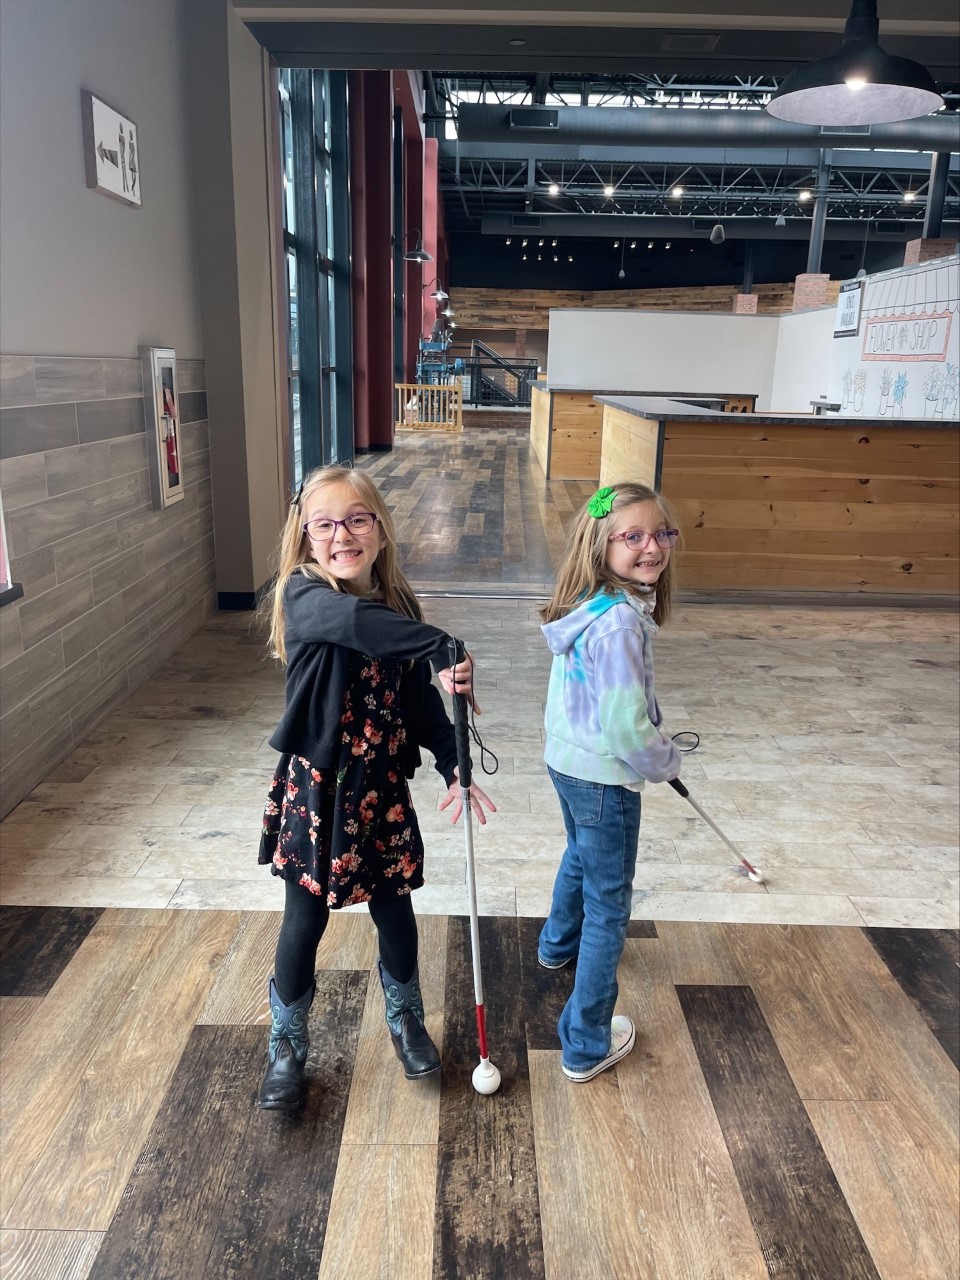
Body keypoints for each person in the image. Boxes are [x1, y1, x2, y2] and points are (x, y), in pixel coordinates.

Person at [256, 465, 495, 1110]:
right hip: (318, 791)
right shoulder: (304, 598)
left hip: (381, 788)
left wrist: (454, 764)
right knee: (303, 919)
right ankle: (287, 1045)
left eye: (358, 519)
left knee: (395, 909)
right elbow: (358, 627)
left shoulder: (401, 613)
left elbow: (422, 707)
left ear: (381, 531)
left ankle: (405, 1019)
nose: (343, 534)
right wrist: (441, 645)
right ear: (305, 538)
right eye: (326, 523)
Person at [537, 482, 682, 1082]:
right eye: (633, 536)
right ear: (602, 545)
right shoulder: (619, 622)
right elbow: (626, 728)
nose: (651, 546)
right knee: (610, 906)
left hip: (567, 764)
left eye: (660, 533)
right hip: (603, 778)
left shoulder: (591, 602)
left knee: (582, 854)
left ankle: (555, 943)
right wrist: (665, 759)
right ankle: (587, 1042)